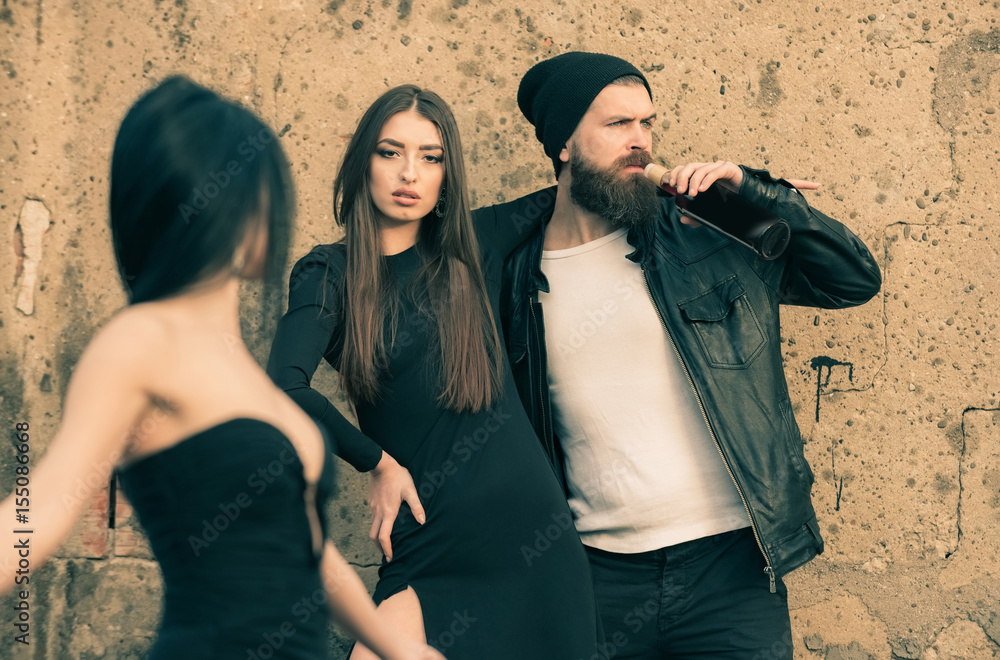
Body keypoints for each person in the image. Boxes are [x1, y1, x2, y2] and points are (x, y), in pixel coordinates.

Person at [0, 76, 442, 660]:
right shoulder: (142, 340)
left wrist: (400, 649)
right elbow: (46, 503)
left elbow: (306, 548)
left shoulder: (241, 369)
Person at [490, 52, 882, 658]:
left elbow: (851, 282)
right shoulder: (514, 272)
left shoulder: (699, 233)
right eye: (618, 124)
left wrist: (760, 195)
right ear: (563, 143)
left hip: (731, 569)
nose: (641, 141)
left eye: (647, 123)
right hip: (596, 576)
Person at [265, 84, 602, 659]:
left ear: (447, 174)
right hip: (426, 535)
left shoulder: (476, 244)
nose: (409, 173)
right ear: (363, 162)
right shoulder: (329, 274)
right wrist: (377, 463)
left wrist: (737, 190)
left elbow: (592, 182)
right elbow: (282, 387)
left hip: (530, 532)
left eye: (430, 157)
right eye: (390, 152)